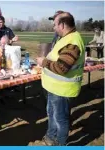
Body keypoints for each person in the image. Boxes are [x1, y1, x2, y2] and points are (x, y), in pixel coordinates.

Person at [36, 12, 85, 146]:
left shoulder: (72, 42)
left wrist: (43, 62)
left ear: (62, 25)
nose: (53, 28)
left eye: (55, 25)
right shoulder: (65, 38)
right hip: (54, 87)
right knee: (51, 114)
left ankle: (59, 143)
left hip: (62, 90)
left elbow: (62, 68)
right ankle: (51, 137)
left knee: (60, 119)